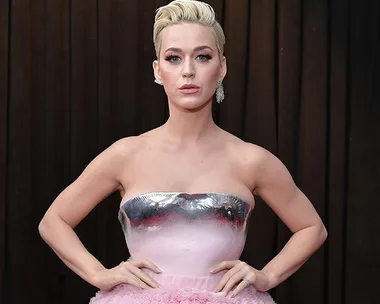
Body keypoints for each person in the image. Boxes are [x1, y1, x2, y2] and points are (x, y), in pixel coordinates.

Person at [39, 0, 328, 303]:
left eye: (202, 57)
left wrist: (267, 276)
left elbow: (311, 228)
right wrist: (99, 274)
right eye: (174, 58)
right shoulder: (125, 155)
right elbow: (54, 221)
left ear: (222, 67)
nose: (188, 71)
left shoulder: (250, 160)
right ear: (158, 70)